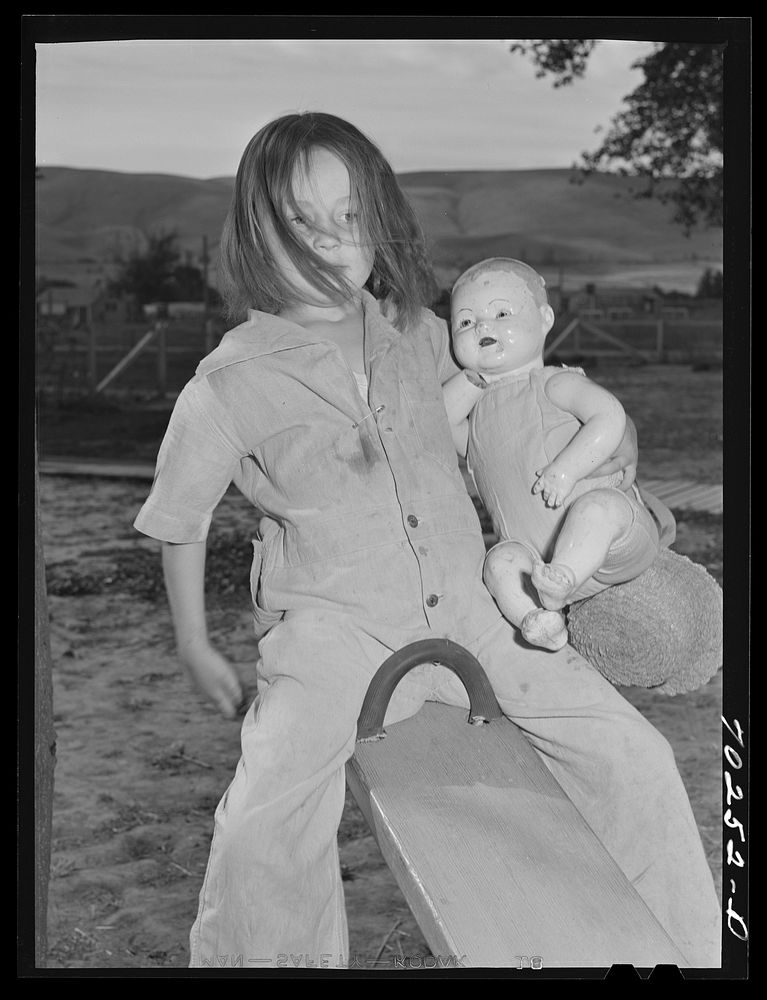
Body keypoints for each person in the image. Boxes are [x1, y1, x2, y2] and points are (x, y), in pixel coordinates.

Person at [133, 112, 720, 969]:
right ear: (259, 228)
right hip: (334, 628)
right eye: (304, 220)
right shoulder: (231, 380)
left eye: (352, 215)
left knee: (629, 752)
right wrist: (192, 642)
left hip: (475, 608)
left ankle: (674, 953)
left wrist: (586, 436)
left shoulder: (418, 333)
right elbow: (176, 522)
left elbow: (504, 397)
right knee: (267, 807)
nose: (335, 241)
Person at [442, 257, 663, 652]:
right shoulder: (478, 424)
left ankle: (562, 577)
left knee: (596, 508)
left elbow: (608, 415)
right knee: (500, 562)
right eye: (465, 322)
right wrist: (475, 377)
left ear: (545, 318)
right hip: (538, 565)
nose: (482, 327)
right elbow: (437, 425)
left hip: (613, 542)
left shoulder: (551, 383)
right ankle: (538, 619)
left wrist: (565, 472)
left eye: (502, 313)